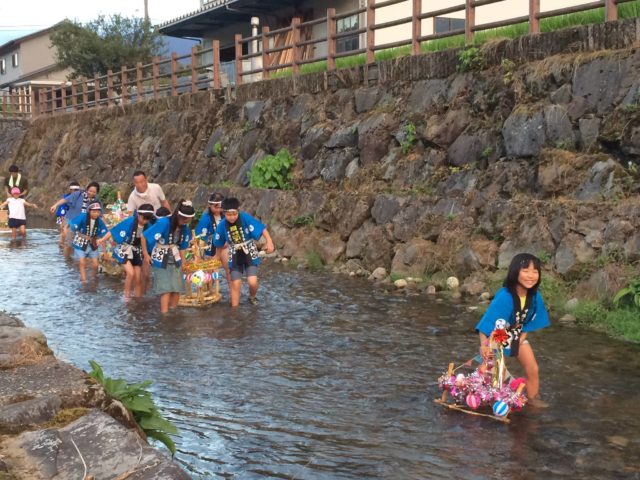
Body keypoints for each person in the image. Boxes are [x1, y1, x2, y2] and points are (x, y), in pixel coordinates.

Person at [475, 253, 551, 407]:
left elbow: (530, 321)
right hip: (498, 334)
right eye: (526, 271)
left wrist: (521, 338)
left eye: (535, 272)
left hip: (517, 332)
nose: (531, 276)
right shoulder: (505, 296)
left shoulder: (535, 296)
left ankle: (533, 398)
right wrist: (483, 345)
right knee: (498, 372)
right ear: (515, 272)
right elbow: (488, 322)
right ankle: (492, 401)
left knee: (533, 368)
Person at [213, 197, 274, 307]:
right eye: (229, 215)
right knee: (235, 283)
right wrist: (216, 258)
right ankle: (234, 310)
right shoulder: (222, 225)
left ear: (238, 211)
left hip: (249, 250)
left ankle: (252, 297)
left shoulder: (245, 218)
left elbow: (262, 229)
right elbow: (219, 244)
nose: (232, 217)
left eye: (234, 214)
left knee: (252, 282)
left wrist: (269, 242)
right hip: (234, 253)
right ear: (224, 213)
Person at [144, 199, 194, 313]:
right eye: (183, 218)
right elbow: (145, 236)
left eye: (187, 219)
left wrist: (184, 265)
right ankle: (164, 314)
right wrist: (146, 255)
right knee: (166, 289)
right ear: (177, 215)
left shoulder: (185, 228)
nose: (184, 221)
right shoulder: (164, 223)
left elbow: (182, 247)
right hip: (161, 258)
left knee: (176, 289)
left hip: (175, 257)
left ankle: (173, 312)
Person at [103, 203, 155, 298]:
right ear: (139, 215)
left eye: (148, 219)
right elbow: (114, 230)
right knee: (131, 273)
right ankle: (126, 297)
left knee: (138, 278)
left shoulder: (148, 225)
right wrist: (102, 240)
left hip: (137, 251)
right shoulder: (130, 221)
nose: (145, 221)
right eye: (144, 218)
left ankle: (137, 298)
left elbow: (152, 239)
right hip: (124, 249)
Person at [49, 181, 101, 256]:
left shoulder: (96, 201)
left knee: (80, 245)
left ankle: (76, 261)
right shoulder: (79, 194)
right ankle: (67, 261)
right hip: (72, 220)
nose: (91, 193)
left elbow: (100, 214)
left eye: (94, 192)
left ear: (96, 193)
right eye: (90, 191)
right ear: (87, 189)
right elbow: (65, 200)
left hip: (83, 225)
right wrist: (55, 205)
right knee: (69, 243)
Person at [67, 202, 110, 283]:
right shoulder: (83, 217)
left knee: (95, 264)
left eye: (98, 211)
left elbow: (103, 236)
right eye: (94, 211)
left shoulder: (100, 221)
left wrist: (105, 252)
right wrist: (69, 240)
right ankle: (84, 280)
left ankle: (94, 279)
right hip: (80, 242)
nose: (96, 214)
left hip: (93, 243)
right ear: (89, 211)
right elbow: (72, 226)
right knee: (82, 262)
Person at [195, 193, 231, 286]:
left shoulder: (226, 216)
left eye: (220, 207)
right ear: (209, 205)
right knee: (210, 273)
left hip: (224, 246)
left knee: (229, 269)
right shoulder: (206, 219)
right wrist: (198, 254)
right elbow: (200, 237)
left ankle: (233, 291)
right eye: (216, 207)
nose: (219, 210)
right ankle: (209, 290)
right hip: (210, 248)